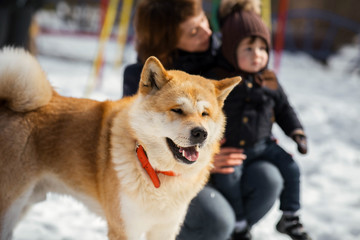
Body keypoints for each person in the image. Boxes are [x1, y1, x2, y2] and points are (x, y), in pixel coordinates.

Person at [123, 1, 283, 240]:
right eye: (193, 32)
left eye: (204, 22)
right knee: (217, 220)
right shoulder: (146, 77)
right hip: (174, 176)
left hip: (232, 163)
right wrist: (207, 158)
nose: (208, 32)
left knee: (268, 179)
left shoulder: (224, 53)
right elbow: (134, 142)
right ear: (167, 40)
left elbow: (258, 90)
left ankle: (234, 232)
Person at [207, 4, 312, 240]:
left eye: (262, 48)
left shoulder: (269, 79)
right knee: (228, 178)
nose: (257, 54)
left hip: (264, 145)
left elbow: (284, 108)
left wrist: (297, 132)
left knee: (292, 168)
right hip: (231, 148)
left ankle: (290, 216)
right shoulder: (219, 79)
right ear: (230, 50)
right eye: (248, 48)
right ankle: (240, 224)